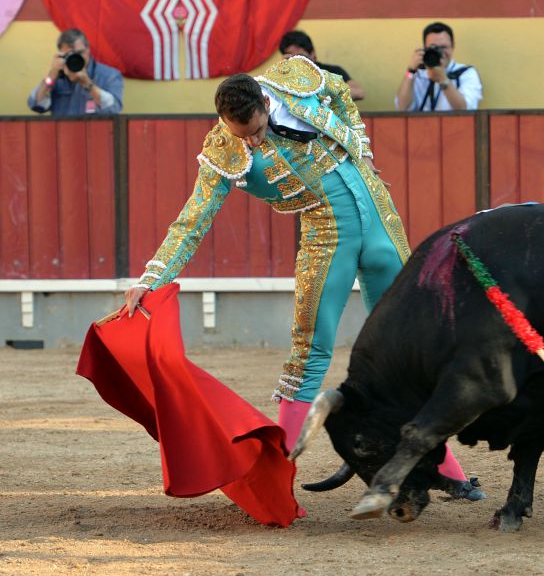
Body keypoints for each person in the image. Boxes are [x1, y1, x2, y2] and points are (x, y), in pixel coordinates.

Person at [121, 60, 484, 501]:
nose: (253, 141)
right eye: (243, 135)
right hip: (326, 234)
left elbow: (338, 89)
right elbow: (192, 221)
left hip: (379, 213)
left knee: (412, 345)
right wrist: (152, 277)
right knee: (310, 348)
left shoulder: (293, 79)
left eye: (256, 129)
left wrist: (361, 144)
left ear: (264, 103)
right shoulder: (223, 150)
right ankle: (275, 481)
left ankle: (452, 474)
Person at [28, 28, 124, 115]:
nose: (75, 58)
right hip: (64, 133)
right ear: (61, 54)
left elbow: (114, 109)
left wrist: (88, 84)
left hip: (94, 133)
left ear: (88, 50)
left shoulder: (109, 75)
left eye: (79, 53)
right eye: (69, 55)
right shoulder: (57, 77)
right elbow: (36, 105)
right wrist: (52, 76)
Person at [396, 21, 483, 111]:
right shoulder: (418, 74)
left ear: (453, 46)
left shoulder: (466, 73)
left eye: (443, 47)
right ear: (425, 48)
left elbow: (465, 110)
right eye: (433, 47)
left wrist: (442, 79)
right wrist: (411, 71)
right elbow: (402, 108)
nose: (439, 52)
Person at [279, 28, 365, 99]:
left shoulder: (332, 71)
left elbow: (358, 93)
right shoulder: (282, 76)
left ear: (312, 54)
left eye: (301, 56)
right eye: (292, 58)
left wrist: (319, 87)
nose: (297, 61)